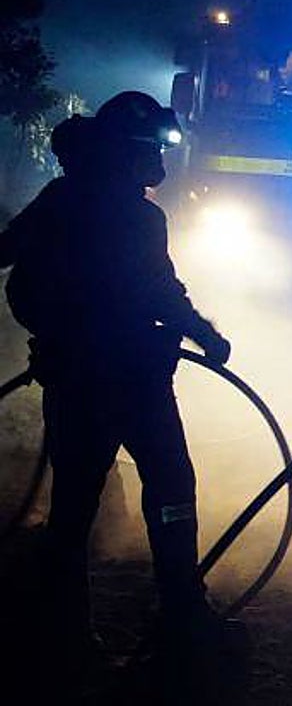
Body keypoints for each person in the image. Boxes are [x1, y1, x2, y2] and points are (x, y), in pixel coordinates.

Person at [0, 92, 233, 661]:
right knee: (168, 488)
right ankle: (176, 612)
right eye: (152, 146)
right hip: (123, 377)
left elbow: (11, 256)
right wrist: (202, 333)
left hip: (91, 376)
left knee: (82, 502)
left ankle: (70, 628)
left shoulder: (67, 201)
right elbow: (157, 288)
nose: (159, 158)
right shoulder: (129, 214)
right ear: (129, 152)